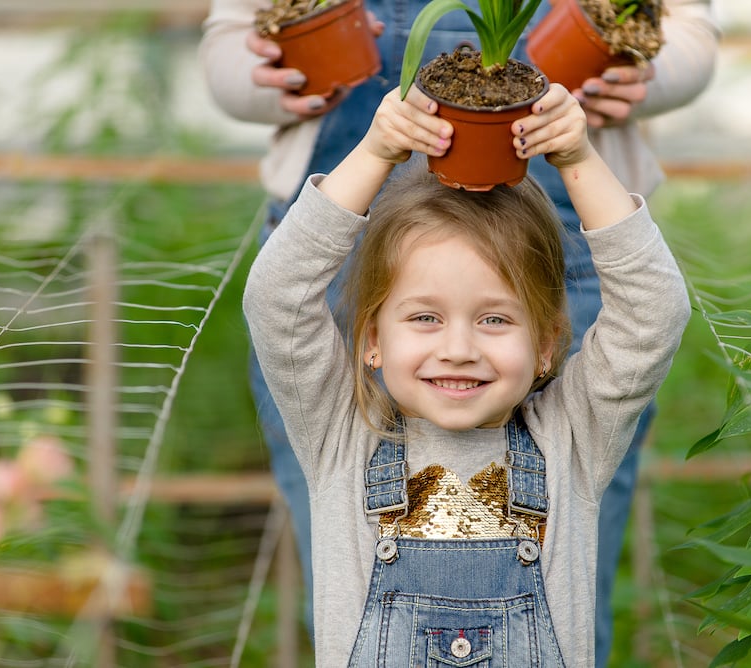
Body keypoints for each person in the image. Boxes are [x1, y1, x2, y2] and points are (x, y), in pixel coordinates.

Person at [200, 1, 718, 663]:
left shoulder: (574, 440)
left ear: (550, 346)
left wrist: (581, 157)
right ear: (368, 339)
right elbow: (277, 299)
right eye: (423, 318)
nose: (458, 348)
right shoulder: (335, 436)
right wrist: (378, 147)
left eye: (496, 320)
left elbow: (653, 313)